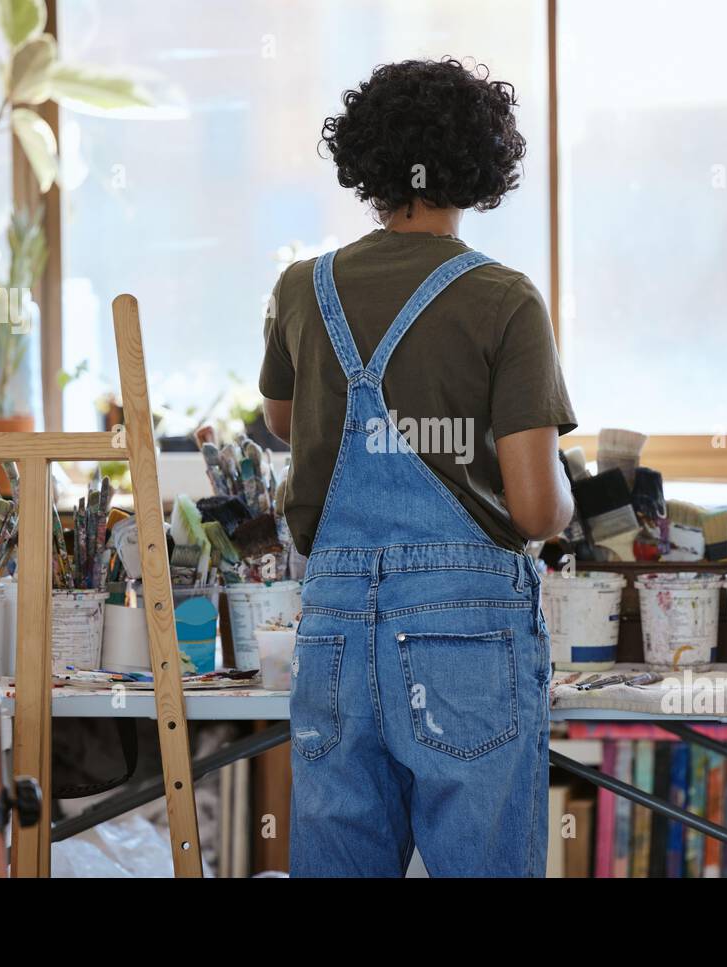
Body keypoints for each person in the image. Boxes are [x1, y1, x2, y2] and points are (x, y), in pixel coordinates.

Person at [259, 57, 576, 877]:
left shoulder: (302, 288)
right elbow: (538, 511)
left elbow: (282, 421)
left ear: (366, 163)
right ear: (481, 166)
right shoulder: (504, 300)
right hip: (461, 629)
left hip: (332, 624)